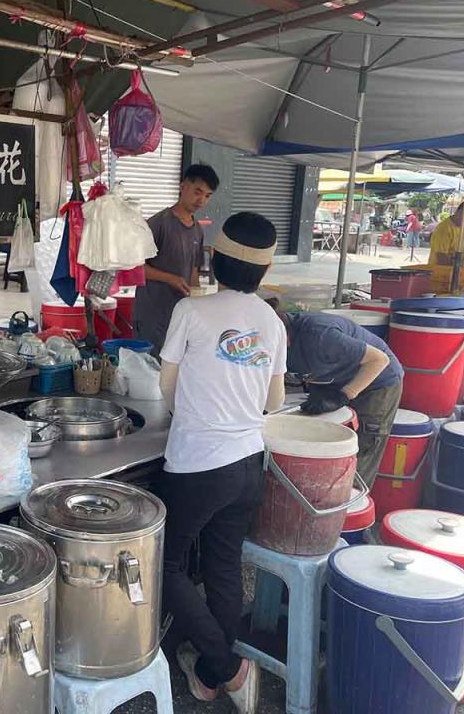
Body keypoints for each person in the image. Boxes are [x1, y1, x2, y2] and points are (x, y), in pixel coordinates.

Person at [156, 211, 285, 714]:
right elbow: (272, 402)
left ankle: (225, 666)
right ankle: (209, 677)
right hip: (249, 463)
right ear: (264, 270)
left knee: (165, 565)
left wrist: (193, 404)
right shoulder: (272, 322)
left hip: (197, 464)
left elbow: (166, 386)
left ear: (214, 257)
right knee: (223, 565)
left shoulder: (192, 311)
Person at [273, 308, 403, 487]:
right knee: (323, 443)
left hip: (376, 382)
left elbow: (379, 360)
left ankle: (350, 506)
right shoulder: (272, 342)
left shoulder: (320, 335)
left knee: (357, 455)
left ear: (282, 333)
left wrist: (345, 394)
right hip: (333, 380)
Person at [133, 163, 219, 352]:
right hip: (152, 315)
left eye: (207, 196)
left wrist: (198, 301)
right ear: (183, 186)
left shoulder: (197, 230)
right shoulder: (158, 223)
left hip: (180, 315)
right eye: (198, 192)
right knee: (151, 370)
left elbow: (194, 270)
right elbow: (135, 267)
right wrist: (170, 278)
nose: (201, 200)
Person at [428, 201, 464, 265]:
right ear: (460, 212)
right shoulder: (444, 229)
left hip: (458, 270)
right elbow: (441, 257)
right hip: (440, 271)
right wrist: (455, 272)